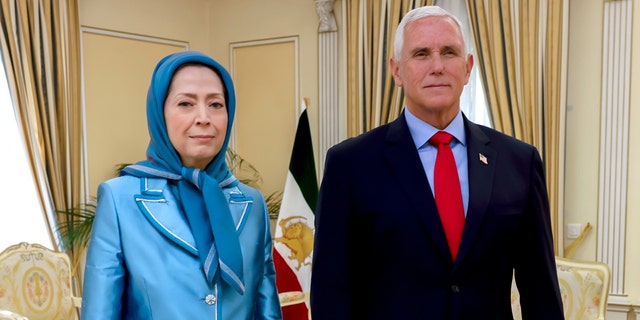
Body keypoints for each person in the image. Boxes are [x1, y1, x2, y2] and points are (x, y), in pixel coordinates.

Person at [310, 5, 564, 320]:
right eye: (420, 54)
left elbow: (540, 290)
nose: (437, 66)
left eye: (449, 52)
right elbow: (330, 293)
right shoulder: (349, 165)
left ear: (468, 67)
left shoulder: (519, 161)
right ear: (396, 71)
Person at [81, 51, 283, 319]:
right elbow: (99, 313)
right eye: (186, 104)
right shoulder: (119, 199)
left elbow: (266, 310)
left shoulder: (251, 202)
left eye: (216, 104)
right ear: (159, 113)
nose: (203, 117)